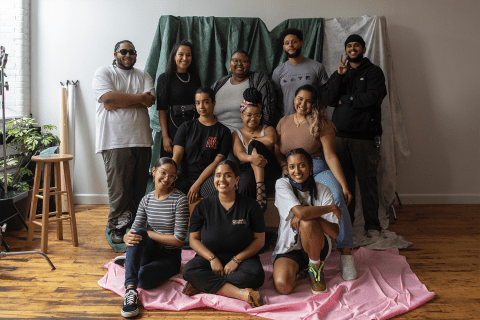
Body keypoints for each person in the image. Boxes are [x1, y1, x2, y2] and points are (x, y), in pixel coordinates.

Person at [274, 84, 357, 281]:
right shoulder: (283, 122)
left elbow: (330, 156)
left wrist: (343, 185)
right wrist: (283, 166)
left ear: (314, 104)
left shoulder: (321, 122)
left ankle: (346, 255)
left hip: (317, 167)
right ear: (294, 99)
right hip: (293, 170)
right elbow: (278, 152)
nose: (303, 104)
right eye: (300, 99)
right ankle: (295, 247)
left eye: (309, 100)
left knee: (337, 195)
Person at [323, 34, 387, 236]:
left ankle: (372, 226)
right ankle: (347, 226)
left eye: (356, 45)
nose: (352, 48)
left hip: (365, 138)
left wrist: (347, 99)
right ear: (345, 50)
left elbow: (373, 98)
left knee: (367, 183)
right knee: (345, 185)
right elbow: (328, 98)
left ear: (363, 49)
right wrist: (339, 76)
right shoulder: (342, 72)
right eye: (349, 45)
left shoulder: (374, 72)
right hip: (339, 138)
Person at [92, 40, 155, 244]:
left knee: (138, 188)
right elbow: (108, 99)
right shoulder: (104, 72)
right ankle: (117, 227)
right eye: (124, 51)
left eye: (132, 52)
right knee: (119, 189)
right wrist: (138, 100)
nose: (128, 55)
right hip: (114, 140)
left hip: (142, 140)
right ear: (115, 53)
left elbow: (150, 100)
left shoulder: (143, 74)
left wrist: (120, 100)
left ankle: (136, 225)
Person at [182, 160, 265, 308]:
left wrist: (237, 260)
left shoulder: (251, 205)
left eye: (227, 175)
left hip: (243, 259)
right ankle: (242, 294)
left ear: (236, 180)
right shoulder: (203, 206)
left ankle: (202, 284)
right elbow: (193, 239)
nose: (222, 180)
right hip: (209, 257)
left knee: (256, 276)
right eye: (218, 175)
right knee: (189, 270)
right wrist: (212, 258)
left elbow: (260, 240)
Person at [117, 157, 189, 318]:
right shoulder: (146, 200)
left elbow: (178, 240)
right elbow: (135, 231)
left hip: (169, 257)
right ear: (154, 171)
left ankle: (131, 263)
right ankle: (130, 292)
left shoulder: (180, 200)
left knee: (143, 278)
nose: (167, 178)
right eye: (163, 173)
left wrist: (149, 233)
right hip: (149, 251)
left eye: (172, 175)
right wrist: (126, 238)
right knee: (138, 233)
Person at [272, 148, 340, 295]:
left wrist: (311, 216)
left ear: (310, 169)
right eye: (291, 167)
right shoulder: (282, 184)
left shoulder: (324, 190)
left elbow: (334, 233)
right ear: (288, 170)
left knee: (307, 223)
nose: (297, 171)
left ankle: (315, 271)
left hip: (316, 248)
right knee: (283, 286)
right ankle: (302, 271)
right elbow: (301, 213)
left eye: (302, 165)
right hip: (289, 248)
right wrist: (331, 208)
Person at [172, 87, 232, 204]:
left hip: (208, 179)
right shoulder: (185, 127)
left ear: (213, 103)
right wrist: (169, 176)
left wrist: (197, 184)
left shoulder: (223, 132)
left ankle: (210, 221)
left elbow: (216, 162)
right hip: (184, 175)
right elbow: (176, 157)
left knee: (218, 191)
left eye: (206, 102)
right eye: (198, 103)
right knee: (166, 186)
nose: (201, 107)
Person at [232, 88, 281, 212]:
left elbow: (271, 140)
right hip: (248, 169)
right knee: (245, 182)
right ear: (241, 115)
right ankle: (242, 217)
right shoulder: (236, 134)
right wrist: (252, 158)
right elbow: (239, 154)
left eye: (257, 115)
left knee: (255, 144)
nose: (253, 119)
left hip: (269, 170)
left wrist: (252, 141)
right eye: (249, 115)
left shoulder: (268, 128)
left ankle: (260, 187)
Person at [154, 40, 202, 159]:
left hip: (193, 128)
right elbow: (162, 110)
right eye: (181, 54)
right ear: (174, 56)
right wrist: (165, 137)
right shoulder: (164, 78)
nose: (184, 58)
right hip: (172, 129)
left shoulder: (195, 77)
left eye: (188, 55)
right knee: (170, 167)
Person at [212, 50, 276, 132]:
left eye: (244, 61)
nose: (239, 64)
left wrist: (260, 137)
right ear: (230, 64)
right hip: (218, 137)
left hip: (247, 137)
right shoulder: (219, 83)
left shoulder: (259, 80)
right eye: (235, 60)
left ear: (249, 64)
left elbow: (268, 112)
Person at [272, 28, 328, 117]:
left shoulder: (317, 67)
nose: (290, 45)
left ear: (301, 43)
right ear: (284, 47)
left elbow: (324, 96)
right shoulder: (278, 71)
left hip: (312, 121)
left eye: (294, 42)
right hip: (289, 121)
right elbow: (279, 100)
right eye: (287, 43)